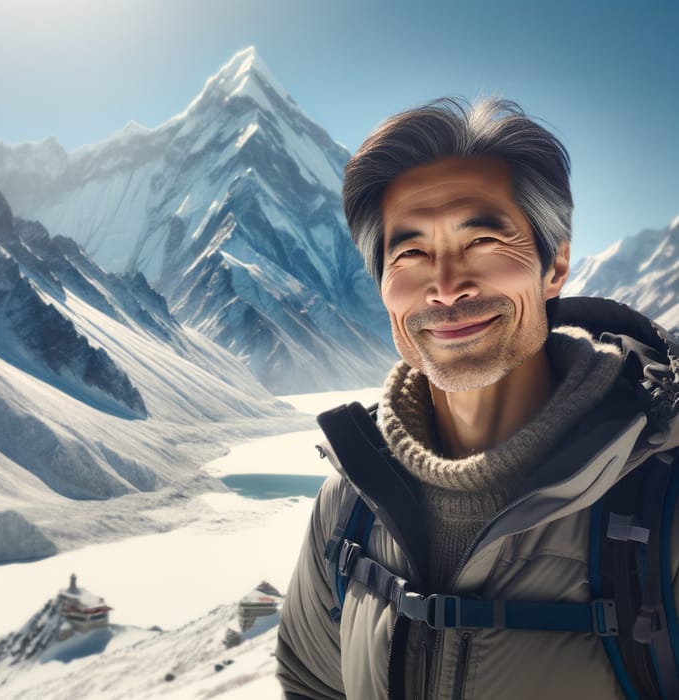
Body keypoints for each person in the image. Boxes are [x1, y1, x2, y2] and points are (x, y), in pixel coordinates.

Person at [275, 97, 679, 699]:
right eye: (410, 254)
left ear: (556, 263)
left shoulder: (663, 493)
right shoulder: (350, 503)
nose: (445, 288)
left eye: (484, 240)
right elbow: (313, 683)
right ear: (383, 285)